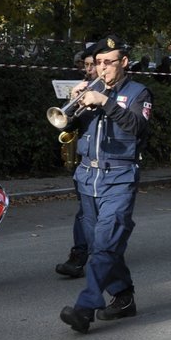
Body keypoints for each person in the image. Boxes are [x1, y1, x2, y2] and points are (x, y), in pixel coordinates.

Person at [58, 35, 151, 333]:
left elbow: (138, 127)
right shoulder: (91, 89)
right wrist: (71, 104)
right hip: (87, 177)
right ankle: (123, 297)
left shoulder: (138, 93)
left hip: (120, 177)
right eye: (97, 63)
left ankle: (85, 307)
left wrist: (106, 102)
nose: (102, 69)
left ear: (123, 63)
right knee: (103, 245)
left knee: (105, 244)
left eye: (108, 63)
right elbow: (66, 126)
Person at [55, 43, 97, 279]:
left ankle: (103, 253)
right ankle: (79, 255)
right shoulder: (82, 90)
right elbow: (64, 123)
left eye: (93, 65)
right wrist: (71, 102)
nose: (88, 70)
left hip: (112, 167)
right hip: (85, 163)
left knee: (107, 218)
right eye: (87, 65)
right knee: (84, 212)